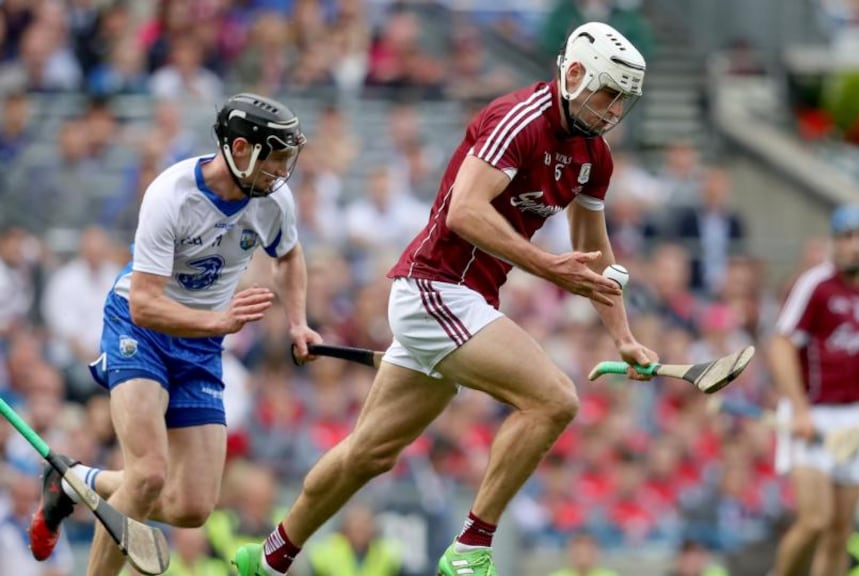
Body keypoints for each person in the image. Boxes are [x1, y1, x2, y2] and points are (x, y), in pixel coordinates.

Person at [235, 21, 662, 576]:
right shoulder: (520, 120)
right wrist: (548, 269)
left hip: (466, 299)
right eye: (608, 94)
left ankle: (268, 559)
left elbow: (594, 257)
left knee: (370, 452)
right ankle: (470, 549)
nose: (611, 112)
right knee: (555, 399)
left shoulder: (593, 156)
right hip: (436, 287)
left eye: (621, 102)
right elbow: (465, 210)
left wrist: (624, 336)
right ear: (575, 74)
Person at [28, 93, 323, 576]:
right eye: (274, 159)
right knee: (146, 476)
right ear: (241, 149)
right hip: (139, 330)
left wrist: (297, 321)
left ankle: (74, 480)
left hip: (201, 345)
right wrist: (221, 322)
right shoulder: (171, 195)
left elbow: (288, 254)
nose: (280, 172)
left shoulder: (273, 201)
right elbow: (145, 305)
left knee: (192, 507)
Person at [771, 204, 859, 576]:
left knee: (840, 531)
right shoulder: (817, 286)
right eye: (847, 237)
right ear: (834, 243)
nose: (855, 246)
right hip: (814, 413)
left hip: (854, 420)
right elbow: (781, 344)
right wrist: (799, 408)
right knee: (815, 520)